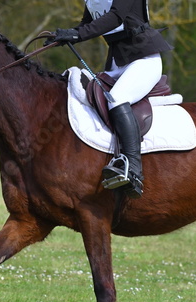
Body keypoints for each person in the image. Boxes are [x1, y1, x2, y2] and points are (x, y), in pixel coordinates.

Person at [50, 0, 173, 198]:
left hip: (143, 58)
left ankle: (133, 169)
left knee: (117, 98)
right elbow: (86, 23)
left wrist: (77, 34)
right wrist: (65, 35)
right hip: (118, 62)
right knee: (84, 91)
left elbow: (116, 17)